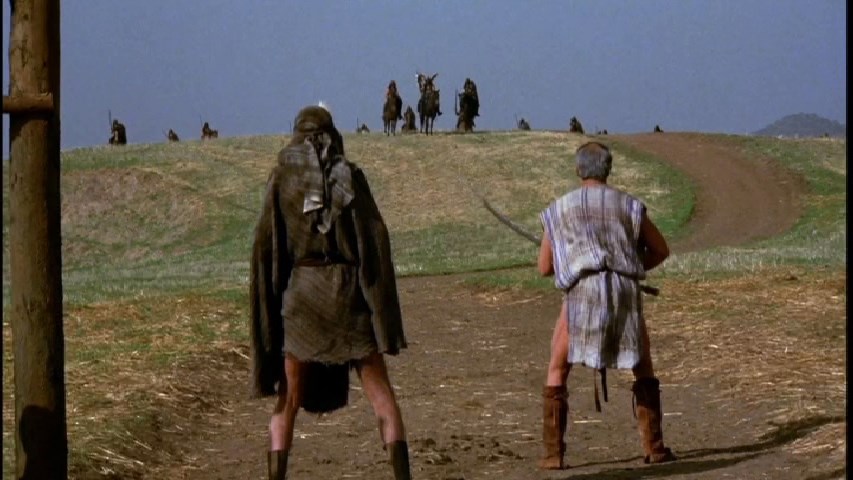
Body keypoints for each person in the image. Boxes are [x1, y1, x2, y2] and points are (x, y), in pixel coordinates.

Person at [249, 104, 412, 480]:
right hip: (348, 297)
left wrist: (272, 309)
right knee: (381, 394)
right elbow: (374, 242)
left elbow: (265, 248)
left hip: (302, 300)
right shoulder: (349, 176)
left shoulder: (282, 179)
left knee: (288, 399)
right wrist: (382, 315)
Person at [536, 141, 677, 469]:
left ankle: (553, 455)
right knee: (642, 365)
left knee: (558, 367)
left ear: (578, 169)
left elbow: (544, 267)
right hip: (624, 290)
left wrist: (570, 259)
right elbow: (660, 250)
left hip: (582, 291)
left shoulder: (559, 209)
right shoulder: (630, 205)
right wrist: (630, 264)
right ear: (608, 169)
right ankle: (654, 447)